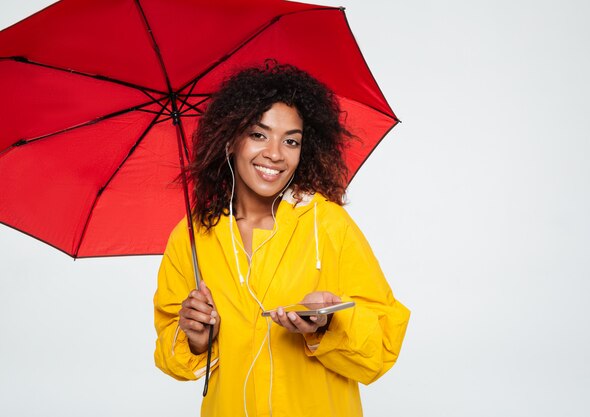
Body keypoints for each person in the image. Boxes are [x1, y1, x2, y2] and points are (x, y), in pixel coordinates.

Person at [154, 62, 410, 417]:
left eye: (291, 141)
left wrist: (328, 324)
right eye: (259, 135)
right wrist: (196, 341)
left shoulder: (328, 224)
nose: (275, 153)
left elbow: (383, 343)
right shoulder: (192, 237)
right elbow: (171, 352)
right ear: (230, 139)